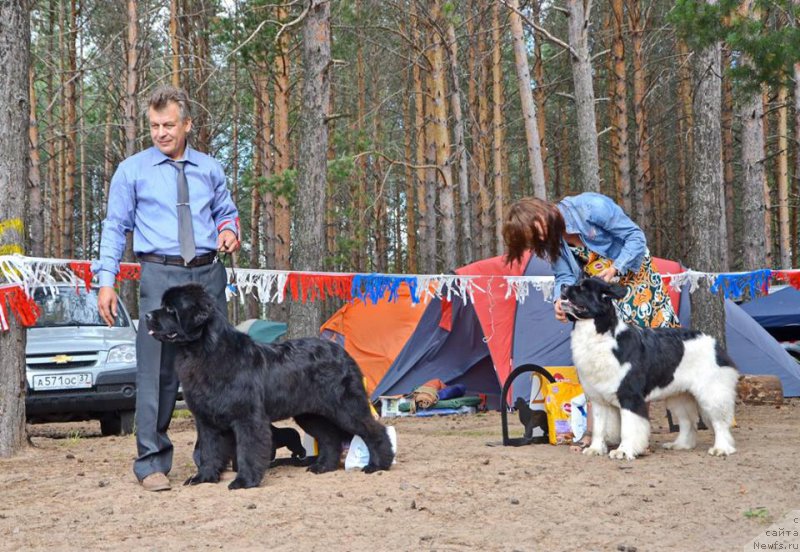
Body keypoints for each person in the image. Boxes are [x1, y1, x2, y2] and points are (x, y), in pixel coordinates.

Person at [93, 85, 240, 492]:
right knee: (156, 374)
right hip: (159, 276)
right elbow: (114, 228)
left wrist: (229, 231)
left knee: (218, 371)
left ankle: (215, 459)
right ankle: (151, 462)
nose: (160, 133)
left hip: (207, 276)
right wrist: (106, 282)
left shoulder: (210, 168)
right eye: (154, 126)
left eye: (169, 125)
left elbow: (226, 212)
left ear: (186, 124)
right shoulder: (132, 170)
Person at [503, 192, 678, 329]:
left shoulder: (591, 207)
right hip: (602, 289)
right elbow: (564, 275)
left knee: (657, 338)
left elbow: (636, 237)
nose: (540, 238)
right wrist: (560, 299)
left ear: (541, 212)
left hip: (636, 275)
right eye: (533, 239)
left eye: (537, 231)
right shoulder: (549, 239)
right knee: (619, 350)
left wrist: (615, 269)